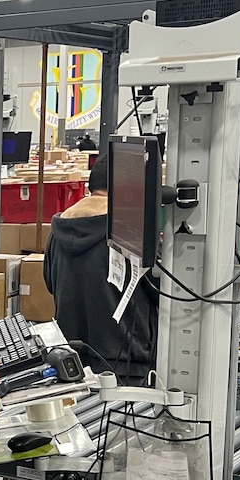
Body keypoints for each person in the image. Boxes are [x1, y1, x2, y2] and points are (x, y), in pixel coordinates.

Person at [43, 158, 158, 385]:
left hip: (72, 363)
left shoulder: (60, 227)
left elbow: (50, 282)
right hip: (127, 365)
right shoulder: (130, 230)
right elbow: (165, 290)